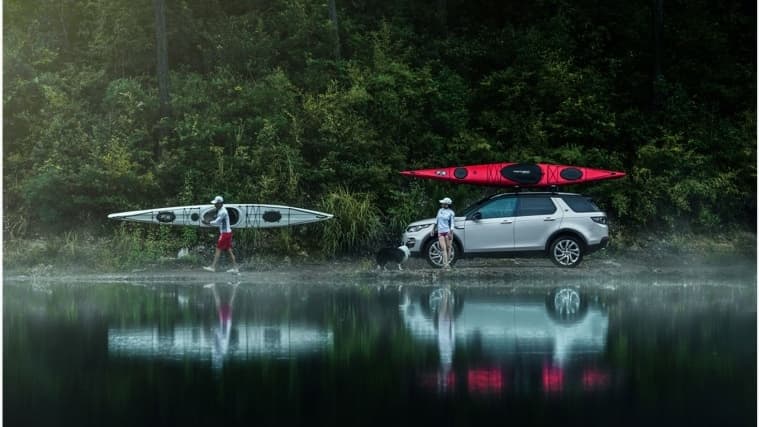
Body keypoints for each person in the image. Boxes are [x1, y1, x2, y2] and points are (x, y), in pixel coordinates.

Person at [202, 195, 240, 273]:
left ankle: (212, 267)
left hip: (225, 234)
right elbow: (217, 218)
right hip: (227, 233)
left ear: (220, 203)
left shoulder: (223, 212)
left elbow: (217, 222)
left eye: (216, 203)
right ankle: (235, 268)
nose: (214, 205)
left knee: (218, 249)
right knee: (229, 251)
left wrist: (207, 222)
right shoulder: (220, 210)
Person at [431, 197, 455, 268]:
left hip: (448, 232)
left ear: (447, 204)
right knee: (443, 248)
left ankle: (448, 263)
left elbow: (452, 223)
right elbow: (436, 220)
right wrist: (432, 229)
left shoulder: (451, 213)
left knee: (449, 247)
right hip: (440, 232)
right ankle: (446, 264)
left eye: (443, 203)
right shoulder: (440, 210)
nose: (441, 204)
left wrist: (451, 232)